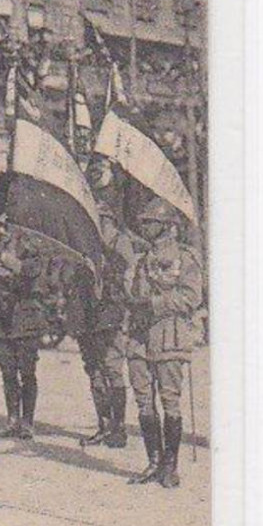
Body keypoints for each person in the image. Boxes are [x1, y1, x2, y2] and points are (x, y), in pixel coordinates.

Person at [124, 203, 203, 488]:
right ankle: (153, 461)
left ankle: (170, 465)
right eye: (143, 222)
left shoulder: (185, 257)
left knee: (170, 401)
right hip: (139, 338)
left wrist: (155, 302)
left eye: (150, 222)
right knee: (144, 400)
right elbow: (129, 292)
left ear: (166, 225)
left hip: (169, 337)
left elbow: (191, 297)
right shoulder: (140, 258)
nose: (144, 227)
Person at [66, 208, 131, 449]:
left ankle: (119, 427)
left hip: (110, 315)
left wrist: (104, 252)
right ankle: (103, 425)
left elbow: (126, 270)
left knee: (112, 369)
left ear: (109, 220)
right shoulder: (82, 244)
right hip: (87, 316)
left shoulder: (120, 242)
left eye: (99, 219)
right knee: (94, 370)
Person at [0, 224, 48, 441]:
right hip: (2, 319)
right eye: (0, 225)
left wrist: (1, 255)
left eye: (6, 225)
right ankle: (12, 420)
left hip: (25, 318)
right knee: (7, 372)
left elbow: (30, 270)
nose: (2, 229)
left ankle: (27, 422)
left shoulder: (31, 243)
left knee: (27, 372)